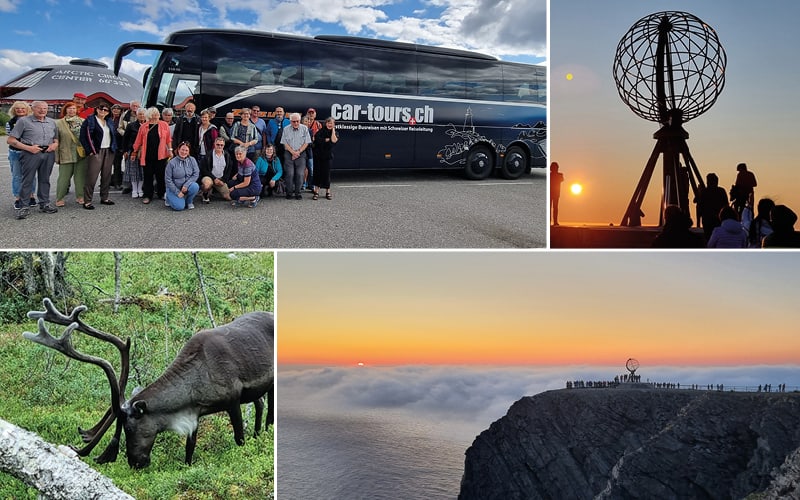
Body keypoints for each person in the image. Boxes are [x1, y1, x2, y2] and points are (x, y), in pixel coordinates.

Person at [7, 100, 59, 219]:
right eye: (39, 108)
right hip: (31, 154)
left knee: (45, 179)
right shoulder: (23, 121)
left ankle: (44, 203)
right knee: (27, 180)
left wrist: (54, 145)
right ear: (33, 109)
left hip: (48, 153)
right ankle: (24, 206)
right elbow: (10, 140)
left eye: (45, 108)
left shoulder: (51, 122)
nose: (42, 110)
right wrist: (29, 148)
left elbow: (56, 139)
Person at [80, 103, 118, 209]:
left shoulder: (109, 121)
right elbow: (83, 137)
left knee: (106, 176)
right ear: (96, 109)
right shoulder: (90, 120)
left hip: (109, 150)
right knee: (91, 177)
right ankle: (87, 201)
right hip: (96, 150)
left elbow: (113, 135)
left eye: (106, 110)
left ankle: (104, 197)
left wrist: (114, 148)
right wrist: (90, 151)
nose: (103, 111)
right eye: (101, 109)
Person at [131, 107, 172, 205]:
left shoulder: (164, 125)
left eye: (157, 113)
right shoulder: (144, 126)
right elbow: (138, 141)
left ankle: (161, 193)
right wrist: (134, 152)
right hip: (147, 155)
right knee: (148, 176)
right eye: (153, 114)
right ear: (149, 115)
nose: (156, 115)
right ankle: (147, 195)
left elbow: (168, 139)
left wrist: (170, 150)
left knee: (161, 175)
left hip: (161, 155)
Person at [54, 101, 87, 206]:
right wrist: (57, 156)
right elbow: (56, 140)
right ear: (65, 110)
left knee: (80, 177)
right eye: (69, 108)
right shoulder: (58, 123)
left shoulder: (83, 121)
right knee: (63, 177)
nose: (72, 110)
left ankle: (80, 196)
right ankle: (60, 198)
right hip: (66, 153)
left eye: (74, 108)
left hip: (81, 154)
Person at [5, 101, 37, 210]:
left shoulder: (33, 121)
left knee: (31, 175)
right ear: (14, 110)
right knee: (17, 176)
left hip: (30, 152)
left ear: (27, 110)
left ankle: (31, 196)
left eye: (22, 108)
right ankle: (18, 198)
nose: (20, 110)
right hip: (15, 152)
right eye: (17, 108)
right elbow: (11, 139)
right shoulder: (10, 122)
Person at [281, 112, 312, 200]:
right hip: (288, 153)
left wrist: (298, 152)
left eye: (297, 121)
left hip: (301, 153)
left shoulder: (304, 128)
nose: (295, 123)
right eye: (293, 121)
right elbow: (284, 143)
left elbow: (306, 142)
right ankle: (289, 192)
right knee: (289, 173)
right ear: (290, 121)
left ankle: (298, 192)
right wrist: (292, 152)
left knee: (300, 174)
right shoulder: (286, 129)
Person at [164, 141, 200, 211]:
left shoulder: (192, 160)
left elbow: (196, 174)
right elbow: (168, 180)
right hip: (174, 188)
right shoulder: (171, 163)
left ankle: (189, 201)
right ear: (178, 150)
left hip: (186, 187)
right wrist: (177, 192)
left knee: (195, 186)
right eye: (182, 150)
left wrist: (186, 185)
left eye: (186, 150)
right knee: (179, 207)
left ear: (189, 151)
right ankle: (168, 198)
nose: (184, 152)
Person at [199, 137, 235, 203]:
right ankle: (205, 194)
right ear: (214, 144)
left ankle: (212, 190)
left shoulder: (227, 155)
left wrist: (223, 180)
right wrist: (214, 178)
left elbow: (229, 170)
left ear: (224, 145)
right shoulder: (208, 155)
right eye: (218, 144)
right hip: (210, 177)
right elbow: (203, 169)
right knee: (207, 184)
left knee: (228, 197)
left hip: (221, 179)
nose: (219, 146)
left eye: (221, 145)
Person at [121, 107, 147, 198]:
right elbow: (125, 139)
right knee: (134, 171)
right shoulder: (131, 125)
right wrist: (124, 150)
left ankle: (140, 189)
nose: (142, 116)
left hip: (145, 151)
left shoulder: (149, 125)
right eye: (140, 114)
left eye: (143, 114)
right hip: (133, 151)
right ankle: (134, 189)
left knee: (142, 171)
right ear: (137, 115)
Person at [695, 172, 728, 241]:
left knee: (708, 238)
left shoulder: (704, 192)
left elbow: (699, 206)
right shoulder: (721, 191)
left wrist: (698, 221)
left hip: (707, 219)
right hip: (718, 219)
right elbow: (726, 205)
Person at [311, 117, 338, 200]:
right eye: (328, 123)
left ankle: (328, 192)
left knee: (326, 174)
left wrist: (333, 130)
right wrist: (325, 140)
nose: (330, 124)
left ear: (334, 125)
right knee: (317, 173)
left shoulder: (335, 133)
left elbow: (334, 140)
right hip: (318, 156)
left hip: (327, 157)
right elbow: (316, 140)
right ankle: (316, 192)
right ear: (325, 123)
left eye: (331, 123)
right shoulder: (320, 132)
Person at [109, 104, 125, 190]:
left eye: (118, 109)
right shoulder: (108, 119)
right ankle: (105, 182)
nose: (115, 110)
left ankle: (117, 182)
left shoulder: (121, 120)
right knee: (106, 166)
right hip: (108, 145)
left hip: (118, 145)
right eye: (114, 108)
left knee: (117, 165)